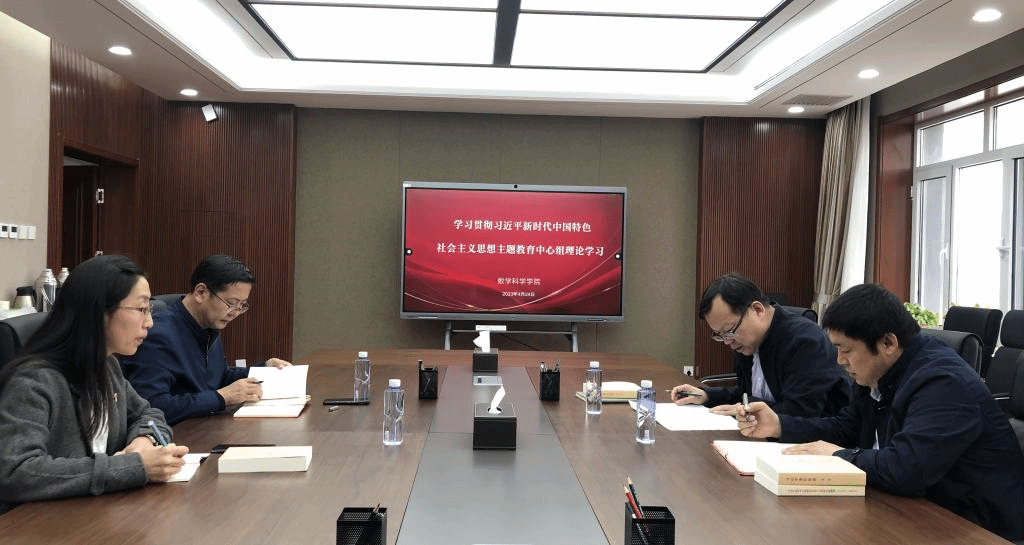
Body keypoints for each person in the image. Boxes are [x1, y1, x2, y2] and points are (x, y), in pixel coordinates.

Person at [737, 283, 1024, 541]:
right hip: (912, 509)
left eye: (846, 350)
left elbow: (905, 469)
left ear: (888, 343)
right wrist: (779, 425)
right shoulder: (878, 371)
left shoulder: (944, 383)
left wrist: (838, 456)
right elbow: (846, 428)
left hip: (976, 528)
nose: (840, 360)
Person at [0, 256, 188, 514]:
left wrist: (144, 440)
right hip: (41, 523)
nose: (149, 322)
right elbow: (16, 472)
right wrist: (133, 468)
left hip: (97, 513)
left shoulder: (106, 365)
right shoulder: (34, 381)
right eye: (141, 309)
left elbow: (149, 414)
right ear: (99, 312)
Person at [121, 255, 291, 425]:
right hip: (176, 434)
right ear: (201, 293)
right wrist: (222, 397)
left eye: (242, 305)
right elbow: (152, 405)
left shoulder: (208, 326)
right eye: (231, 303)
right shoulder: (158, 335)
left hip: (204, 426)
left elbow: (217, 377)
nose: (235, 313)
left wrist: (264, 371)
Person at [671, 273, 850, 417]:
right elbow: (748, 394)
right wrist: (707, 395)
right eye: (721, 335)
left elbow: (800, 412)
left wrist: (745, 410)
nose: (727, 342)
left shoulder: (806, 342)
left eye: (729, 331)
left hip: (819, 444)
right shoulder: (747, 343)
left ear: (757, 310)